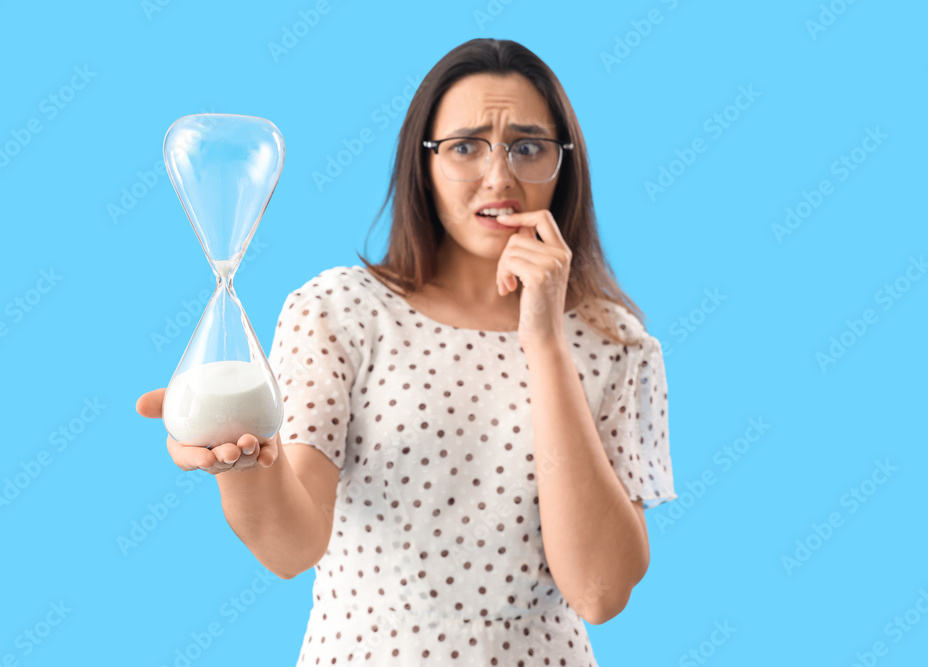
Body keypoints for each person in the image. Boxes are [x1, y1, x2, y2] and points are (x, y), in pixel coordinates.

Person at [137, 38, 677, 667]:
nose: (499, 177)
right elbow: (292, 547)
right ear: (422, 161)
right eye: (466, 146)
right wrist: (241, 462)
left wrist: (546, 340)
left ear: (565, 163)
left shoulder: (619, 343)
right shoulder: (338, 309)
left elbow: (599, 590)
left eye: (528, 148)